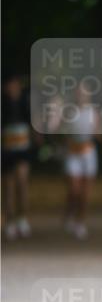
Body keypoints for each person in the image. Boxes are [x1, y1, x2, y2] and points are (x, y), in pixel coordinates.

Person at [61, 82, 101, 240]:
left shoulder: (94, 112)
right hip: (72, 153)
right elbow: (62, 131)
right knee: (74, 190)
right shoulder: (69, 112)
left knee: (85, 193)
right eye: (79, 92)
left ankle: (81, 222)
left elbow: (99, 135)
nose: (81, 95)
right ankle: (70, 212)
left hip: (88, 153)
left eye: (84, 92)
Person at [2, 74, 34, 240]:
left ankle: (22, 218)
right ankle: (9, 220)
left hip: (22, 149)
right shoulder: (3, 105)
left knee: (22, 181)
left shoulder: (25, 103)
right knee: (8, 186)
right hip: (7, 151)